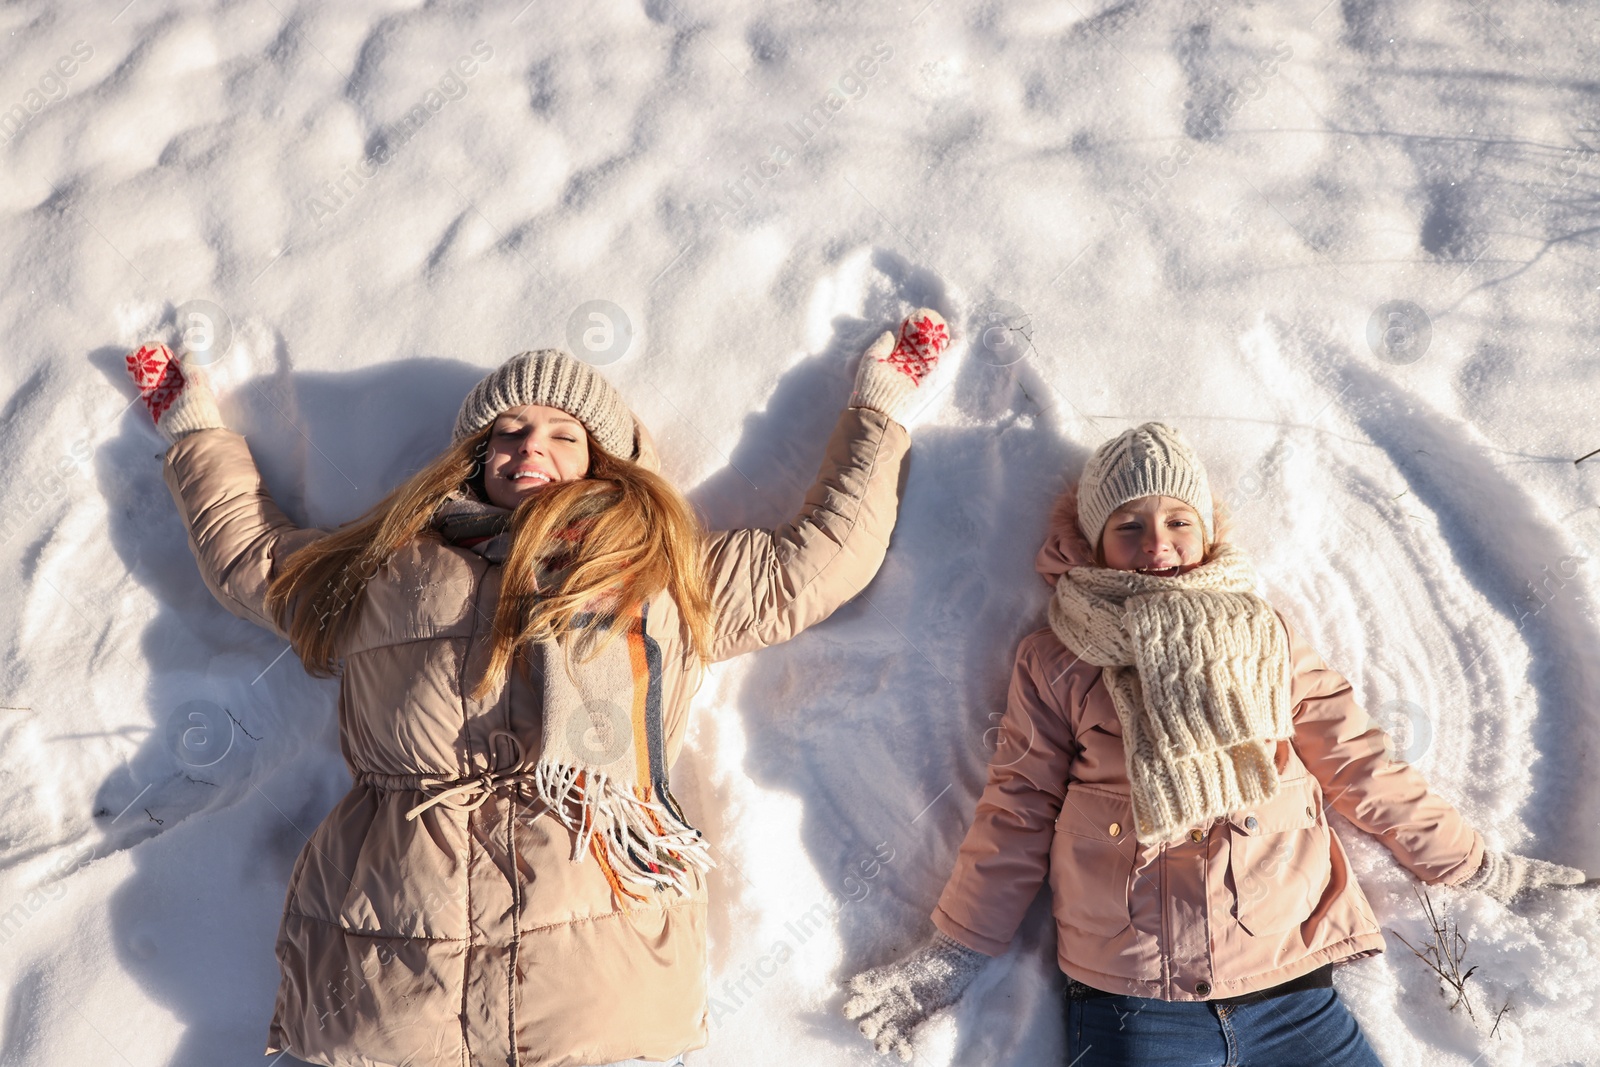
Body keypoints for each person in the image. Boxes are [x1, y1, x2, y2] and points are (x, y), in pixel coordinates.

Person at [124, 308, 952, 1067]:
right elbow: (259, 563)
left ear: (605, 457)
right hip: (393, 969)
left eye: (563, 432)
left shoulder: (660, 571)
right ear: (476, 455)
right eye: (509, 430)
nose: (529, 447)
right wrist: (196, 432)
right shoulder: (388, 570)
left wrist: (878, 413)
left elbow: (819, 562)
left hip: (594, 980)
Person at [842, 422, 1589, 1065]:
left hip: (1291, 990)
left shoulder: (1266, 637)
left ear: (1207, 531)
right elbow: (1017, 808)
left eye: (1177, 520)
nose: (1156, 543)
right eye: (1129, 525)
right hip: (1135, 1002)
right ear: (1098, 542)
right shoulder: (1059, 658)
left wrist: (1480, 865)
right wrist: (959, 947)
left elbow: (1362, 766)